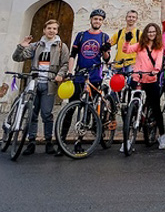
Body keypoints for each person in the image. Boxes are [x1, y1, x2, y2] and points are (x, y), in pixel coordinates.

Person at [12, 19, 70, 154]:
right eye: (49, 28)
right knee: (32, 113)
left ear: (57, 31)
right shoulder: (36, 46)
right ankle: (31, 141)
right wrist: (21, 46)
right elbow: (17, 58)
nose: (51, 31)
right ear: (44, 30)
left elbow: (65, 64)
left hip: (49, 84)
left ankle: (48, 141)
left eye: (54, 29)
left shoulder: (62, 47)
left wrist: (60, 74)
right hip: (34, 82)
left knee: (46, 113)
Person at [131, 21, 165, 149]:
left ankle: (162, 136)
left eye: (153, 32)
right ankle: (128, 137)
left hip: (151, 79)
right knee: (131, 107)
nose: (151, 34)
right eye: (149, 31)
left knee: (156, 108)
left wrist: (156, 70)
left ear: (156, 34)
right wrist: (126, 42)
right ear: (146, 33)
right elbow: (127, 49)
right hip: (138, 78)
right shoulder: (140, 46)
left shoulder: (159, 47)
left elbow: (159, 61)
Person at [66, 9, 112, 95]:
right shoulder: (81, 35)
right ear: (91, 19)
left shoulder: (104, 37)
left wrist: (105, 51)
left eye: (100, 19)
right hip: (80, 73)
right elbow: (73, 54)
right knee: (74, 100)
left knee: (91, 103)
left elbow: (106, 59)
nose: (97, 21)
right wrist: (70, 72)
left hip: (95, 74)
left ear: (102, 22)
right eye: (95, 19)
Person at [109, 9, 141, 75]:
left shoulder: (139, 33)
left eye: (133, 17)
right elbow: (108, 44)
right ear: (126, 18)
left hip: (131, 65)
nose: (131, 19)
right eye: (129, 17)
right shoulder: (119, 33)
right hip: (118, 64)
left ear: (136, 19)